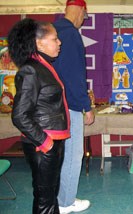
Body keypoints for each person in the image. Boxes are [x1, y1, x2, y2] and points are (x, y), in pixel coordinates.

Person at [8, 18, 70, 213]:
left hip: (51, 142)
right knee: (44, 198)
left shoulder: (42, 66)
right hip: (42, 145)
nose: (59, 42)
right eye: (55, 38)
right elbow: (19, 114)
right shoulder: (30, 70)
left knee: (50, 194)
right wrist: (45, 143)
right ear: (39, 42)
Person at [53, 0, 95, 213]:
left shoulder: (53, 30)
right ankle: (65, 203)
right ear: (81, 11)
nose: (82, 21)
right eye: (84, 17)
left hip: (53, 105)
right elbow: (74, 76)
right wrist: (86, 106)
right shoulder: (70, 34)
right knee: (72, 155)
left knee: (61, 155)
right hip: (69, 105)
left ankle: (62, 196)